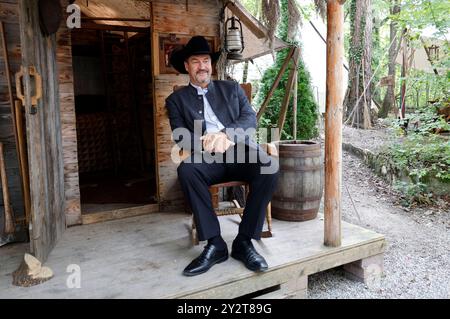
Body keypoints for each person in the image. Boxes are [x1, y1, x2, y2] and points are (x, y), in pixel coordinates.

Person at [165, 35, 279, 277]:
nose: (202, 66)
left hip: (239, 151)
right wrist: (206, 142)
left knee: (269, 166)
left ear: (211, 64)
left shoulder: (231, 88)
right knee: (186, 170)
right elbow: (181, 136)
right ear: (187, 66)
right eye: (195, 61)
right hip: (208, 158)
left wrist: (226, 135)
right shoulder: (176, 100)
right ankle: (215, 244)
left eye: (205, 60)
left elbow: (250, 119)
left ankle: (244, 241)